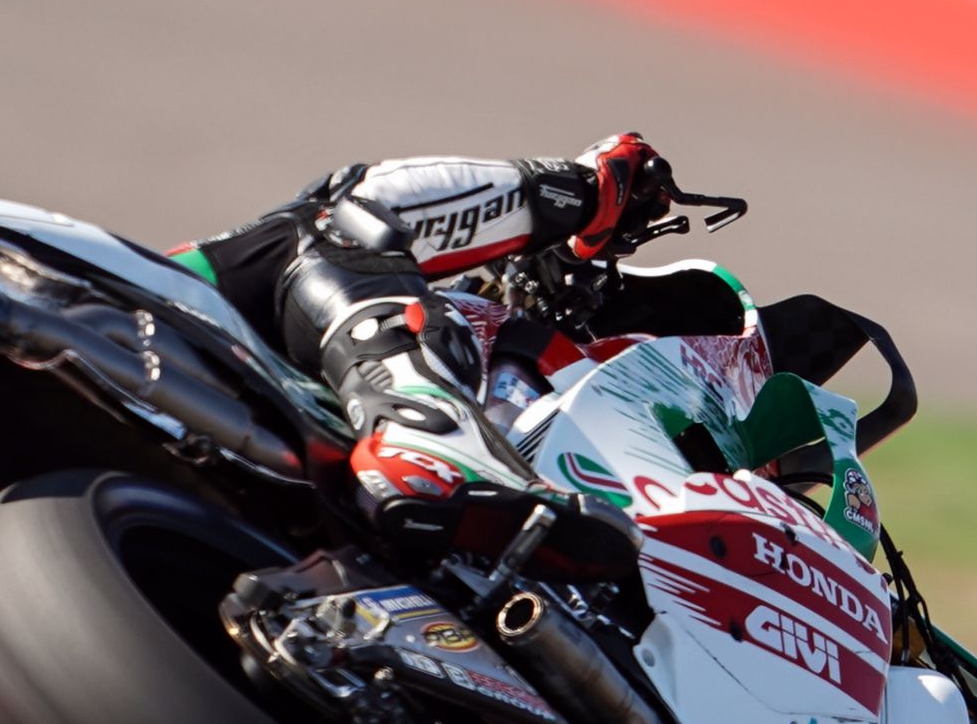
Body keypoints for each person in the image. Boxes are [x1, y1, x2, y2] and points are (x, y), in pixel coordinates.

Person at [174, 135, 729, 546]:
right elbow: (351, 207)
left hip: (200, 421)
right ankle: (426, 432)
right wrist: (587, 192)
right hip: (179, 307)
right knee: (336, 224)